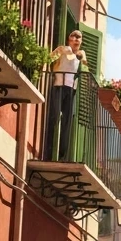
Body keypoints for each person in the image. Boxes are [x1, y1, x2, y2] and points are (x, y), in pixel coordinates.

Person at [44, 30, 88, 161]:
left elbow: (85, 69)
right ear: (69, 39)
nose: (76, 39)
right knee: (55, 116)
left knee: (67, 122)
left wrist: (82, 57)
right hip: (59, 87)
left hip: (71, 90)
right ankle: (50, 150)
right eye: (73, 36)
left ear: (81, 41)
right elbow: (48, 59)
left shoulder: (81, 54)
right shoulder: (62, 49)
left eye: (79, 37)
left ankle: (62, 154)